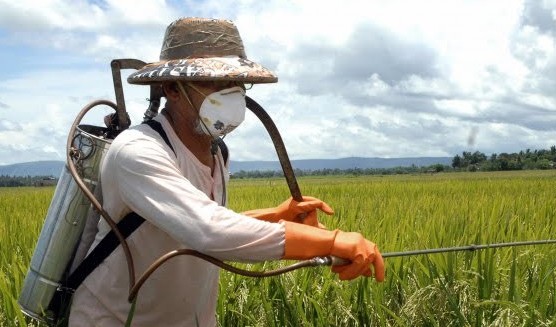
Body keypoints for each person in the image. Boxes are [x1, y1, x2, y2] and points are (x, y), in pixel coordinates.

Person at [68, 17, 385, 326]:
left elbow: (193, 221)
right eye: (214, 82)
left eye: (236, 82)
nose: (231, 93)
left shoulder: (217, 152)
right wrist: (330, 242)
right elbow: (209, 231)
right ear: (172, 89)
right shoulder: (138, 151)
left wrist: (276, 216)